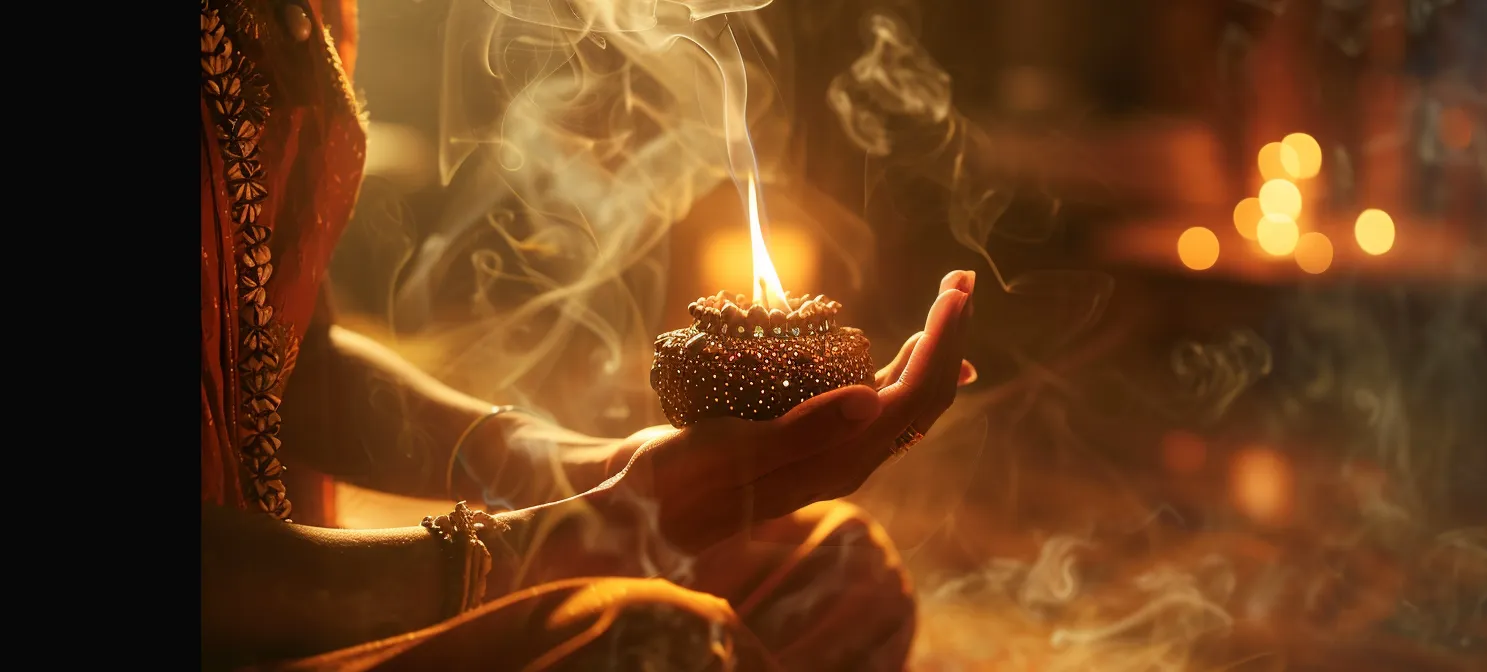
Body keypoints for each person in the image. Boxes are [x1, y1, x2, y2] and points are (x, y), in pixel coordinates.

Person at [199, 1, 976, 669]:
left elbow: (290, 360)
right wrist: (532, 551)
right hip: (262, 608)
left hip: (323, 575)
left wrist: (579, 472)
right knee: (658, 645)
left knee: (833, 575)